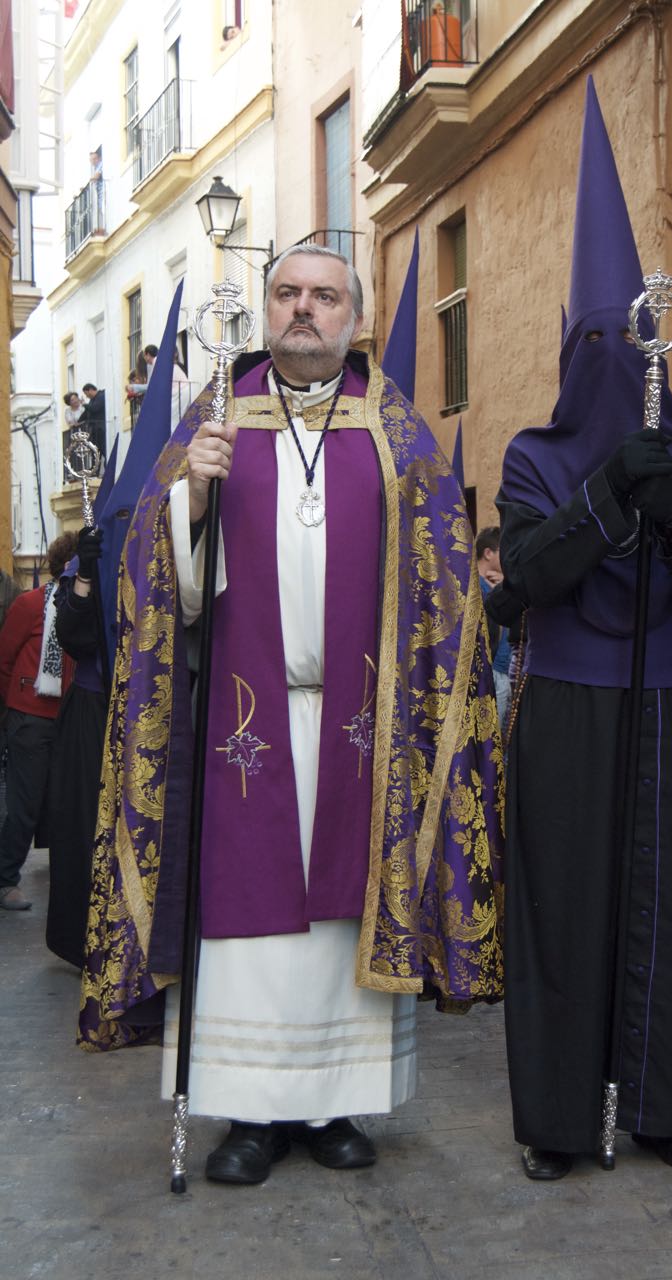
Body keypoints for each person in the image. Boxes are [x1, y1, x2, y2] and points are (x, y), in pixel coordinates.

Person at [79, 244, 504, 1186]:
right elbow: (152, 590)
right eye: (287, 294)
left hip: (366, 725)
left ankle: (333, 1106)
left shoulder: (396, 432)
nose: (304, 311)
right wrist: (190, 495)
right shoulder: (215, 421)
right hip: (245, 722)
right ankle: (248, 1116)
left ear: (354, 316)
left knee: (343, 923)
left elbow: (445, 585)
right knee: (250, 927)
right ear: (265, 311)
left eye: (325, 296)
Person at [488, 77, 672, 1182]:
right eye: (594, 339)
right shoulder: (530, 456)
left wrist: (670, 508)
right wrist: (603, 497)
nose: (614, 356)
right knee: (563, 902)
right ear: (569, 348)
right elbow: (524, 587)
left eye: (630, 338)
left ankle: (661, 1107)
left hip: (664, 699)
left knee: (670, 905)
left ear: (660, 346)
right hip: (562, 699)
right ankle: (557, 1119)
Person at [0, 534, 76, 910]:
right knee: (25, 805)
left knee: (63, 803)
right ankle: (4, 879)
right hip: (30, 717)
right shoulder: (29, 604)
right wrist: (17, 704)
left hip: (68, 718)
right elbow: (5, 661)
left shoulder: (86, 608)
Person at [46, 527, 107, 967]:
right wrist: (85, 573)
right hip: (91, 708)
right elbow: (73, 634)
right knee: (85, 827)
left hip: (151, 700)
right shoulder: (77, 573)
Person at [476, 527, 511, 729]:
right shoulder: (478, 588)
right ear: (488, 553)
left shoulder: (494, 587)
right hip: (493, 673)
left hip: (500, 672)